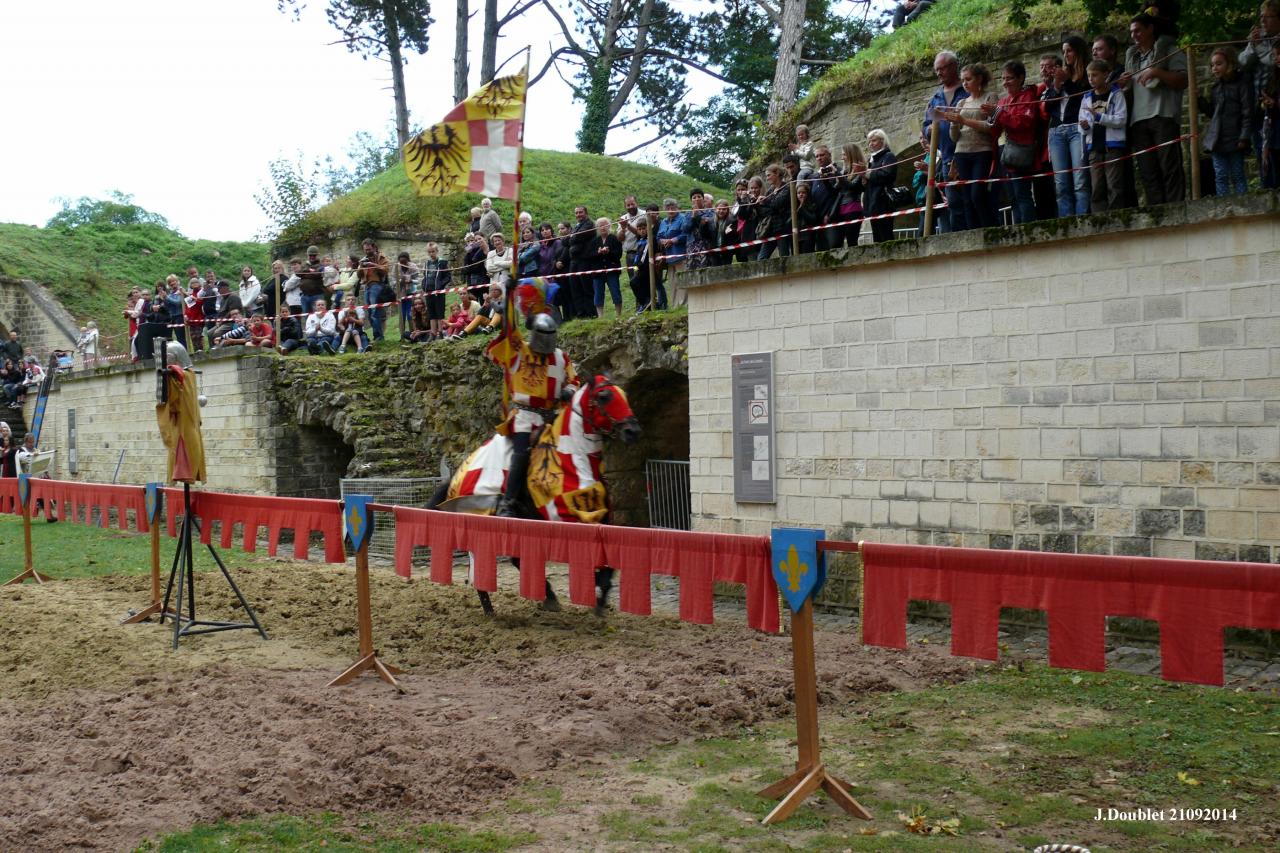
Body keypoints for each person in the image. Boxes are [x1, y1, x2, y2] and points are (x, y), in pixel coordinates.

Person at [490, 312, 577, 518]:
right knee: (522, 455)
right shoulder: (519, 350)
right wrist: (507, 313)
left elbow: (574, 380)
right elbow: (506, 339)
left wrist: (569, 391)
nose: (546, 338)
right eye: (543, 334)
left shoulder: (560, 357)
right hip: (525, 417)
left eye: (550, 334)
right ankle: (508, 502)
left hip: (552, 418)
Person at [1121, 11, 1188, 205]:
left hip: (1163, 115)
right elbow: (1129, 89)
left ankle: (1176, 209)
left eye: (1138, 30)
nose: (1134, 35)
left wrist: (1157, 72)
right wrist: (1123, 83)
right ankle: (1156, 212)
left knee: (1170, 167)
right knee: (1147, 171)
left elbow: (1183, 80)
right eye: (1131, 32)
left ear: (1150, 29)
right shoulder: (1132, 57)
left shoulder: (1169, 50)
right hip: (1137, 121)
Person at [941, 63, 1001, 229]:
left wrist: (963, 120)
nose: (965, 83)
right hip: (961, 152)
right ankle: (973, 232)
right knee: (967, 198)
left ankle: (988, 229)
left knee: (977, 194)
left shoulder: (990, 97)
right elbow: (954, 137)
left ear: (979, 78)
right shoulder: (961, 102)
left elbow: (990, 126)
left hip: (982, 151)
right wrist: (953, 123)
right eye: (963, 80)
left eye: (968, 79)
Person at [985, 60, 1041, 224]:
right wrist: (991, 119)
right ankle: (1018, 230)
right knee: (1013, 197)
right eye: (1003, 78)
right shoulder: (1003, 102)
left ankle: (1029, 229)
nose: (1005, 83)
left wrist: (998, 113)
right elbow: (995, 131)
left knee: (1022, 194)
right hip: (1004, 153)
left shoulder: (1028, 96)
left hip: (1021, 152)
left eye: (1009, 78)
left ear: (1021, 78)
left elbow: (1023, 123)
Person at [1044, 37, 1093, 216]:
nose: (1066, 55)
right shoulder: (1061, 74)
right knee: (1061, 182)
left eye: (1069, 51)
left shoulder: (1087, 73)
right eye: (1063, 52)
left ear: (1078, 52)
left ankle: (1082, 219)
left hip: (1076, 129)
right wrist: (1057, 86)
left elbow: (1084, 98)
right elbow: (1047, 107)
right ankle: (1065, 220)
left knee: (1080, 179)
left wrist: (1067, 82)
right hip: (1056, 131)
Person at [1200, 47, 1255, 196]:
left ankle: (1242, 204)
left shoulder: (1242, 84)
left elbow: (1247, 112)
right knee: (1220, 175)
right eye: (1212, 65)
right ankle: (1223, 204)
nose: (1214, 68)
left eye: (1219, 64)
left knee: (1237, 175)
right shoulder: (1216, 88)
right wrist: (1199, 100)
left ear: (1230, 63)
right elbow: (1213, 113)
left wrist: (1244, 136)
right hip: (1218, 139)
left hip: (1235, 137)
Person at [1079, 59, 1130, 213]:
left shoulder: (1116, 94)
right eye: (1089, 76)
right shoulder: (1086, 98)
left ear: (1105, 74)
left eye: (1094, 75)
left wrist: (1099, 117)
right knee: (1097, 187)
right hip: (1094, 148)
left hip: (1112, 147)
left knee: (1114, 185)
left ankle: (1116, 216)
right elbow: (1082, 124)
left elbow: (1121, 120)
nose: (1091, 79)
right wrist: (1085, 127)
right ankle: (1099, 219)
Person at [1240, 1, 1280, 187]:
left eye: (1268, 17)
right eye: (1261, 16)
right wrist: (1251, 45)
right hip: (1258, 107)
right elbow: (1242, 62)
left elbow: (1273, 60)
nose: (1263, 21)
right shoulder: (1258, 39)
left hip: (1277, 107)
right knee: (1262, 152)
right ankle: (1267, 190)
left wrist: (1258, 48)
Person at [864, 129, 898, 243]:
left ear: (882, 141)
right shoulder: (871, 160)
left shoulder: (888, 156)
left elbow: (888, 175)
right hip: (872, 203)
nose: (871, 144)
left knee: (886, 236)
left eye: (874, 141)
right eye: (869, 142)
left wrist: (869, 174)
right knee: (877, 238)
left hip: (883, 202)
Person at [831, 144, 867, 247]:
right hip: (840, 210)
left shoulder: (860, 169)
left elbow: (853, 186)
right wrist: (826, 179)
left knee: (852, 242)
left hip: (853, 209)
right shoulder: (845, 171)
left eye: (844, 155)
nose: (842, 158)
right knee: (836, 243)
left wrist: (838, 175)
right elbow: (834, 190)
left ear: (851, 155)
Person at [587, 216, 623, 318]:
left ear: (609, 226)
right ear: (597, 227)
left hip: (612, 271)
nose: (603, 227)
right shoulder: (594, 241)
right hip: (598, 272)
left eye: (605, 225)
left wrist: (609, 252)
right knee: (598, 294)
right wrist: (598, 252)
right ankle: (600, 316)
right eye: (600, 225)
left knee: (615, 292)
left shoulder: (614, 238)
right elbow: (589, 256)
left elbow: (618, 254)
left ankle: (618, 315)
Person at [566, 205, 596, 319]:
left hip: (584, 260)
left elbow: (577, 237)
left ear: (586, 213)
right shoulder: (576, 226)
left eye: (580, 212)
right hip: (574, 260)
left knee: (586, 286)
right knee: (575, 287)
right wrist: (572, 238)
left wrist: (572, 237)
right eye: (576, 213)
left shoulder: (589, 224)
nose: (578, 215)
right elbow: (566, 241)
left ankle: (591, 312)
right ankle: (581, 312)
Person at [754, 167, 792, 259]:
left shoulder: (786, 188)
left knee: (784, 257)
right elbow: (765, 210)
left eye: (769, 175)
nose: (767, 178)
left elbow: (777, 204)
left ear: (777, 173)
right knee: (761, 258)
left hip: (782, 229)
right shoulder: (770, 190)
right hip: (770, 230)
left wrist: (765, 201)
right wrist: (759, 204)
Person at [358, 238, 390, 343]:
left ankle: (379, 337)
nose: (367, 251)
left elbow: (386, 269)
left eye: (369, 249)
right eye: (365, 250)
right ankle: (376, 336)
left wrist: (373, 265)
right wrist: (361, 266)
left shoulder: (381, 257)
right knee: (369, 312)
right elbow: (359, 275)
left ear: (374, 247)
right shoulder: (364, 259)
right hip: (366, 286)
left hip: (377, 285)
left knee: (375, 311)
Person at [421, 242, 451, 342]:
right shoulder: (427, 263)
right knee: (431, 313)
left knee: (439, 312)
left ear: (437, 251)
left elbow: (448, 277)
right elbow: (425, 276)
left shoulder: (442, 262)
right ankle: (433, 334)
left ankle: (441, 332)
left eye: (433, 251)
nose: (431, 254)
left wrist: (440, 286)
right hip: (428, 292)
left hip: (438, 292)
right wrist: (423, 285)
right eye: (429, 252)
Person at [394, 251, 420, 339]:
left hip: (411, 293)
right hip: (401, 295)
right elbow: (393, 282)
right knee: (402, 315)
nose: (403, 264)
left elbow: (418, 281)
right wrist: (400, 281)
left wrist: (411, 280)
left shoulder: (413, 267)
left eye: (404, 262)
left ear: (408, 260)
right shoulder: (396, 268)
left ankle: (413, 334)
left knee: (410, 314)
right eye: (401, 262)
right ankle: (402, 336)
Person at [298, 245, 327, 316]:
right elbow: (298, 273)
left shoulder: (321, 265)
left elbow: (316, 274)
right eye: (310, 255)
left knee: (319, 316)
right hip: (305, 296)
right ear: (308, 255)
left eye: (314, 255)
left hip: (317, 295)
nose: (312, 257)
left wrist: (304, 274)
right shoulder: (305, 265)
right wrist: (309, 270)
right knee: (307, 318)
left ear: (317, 255)